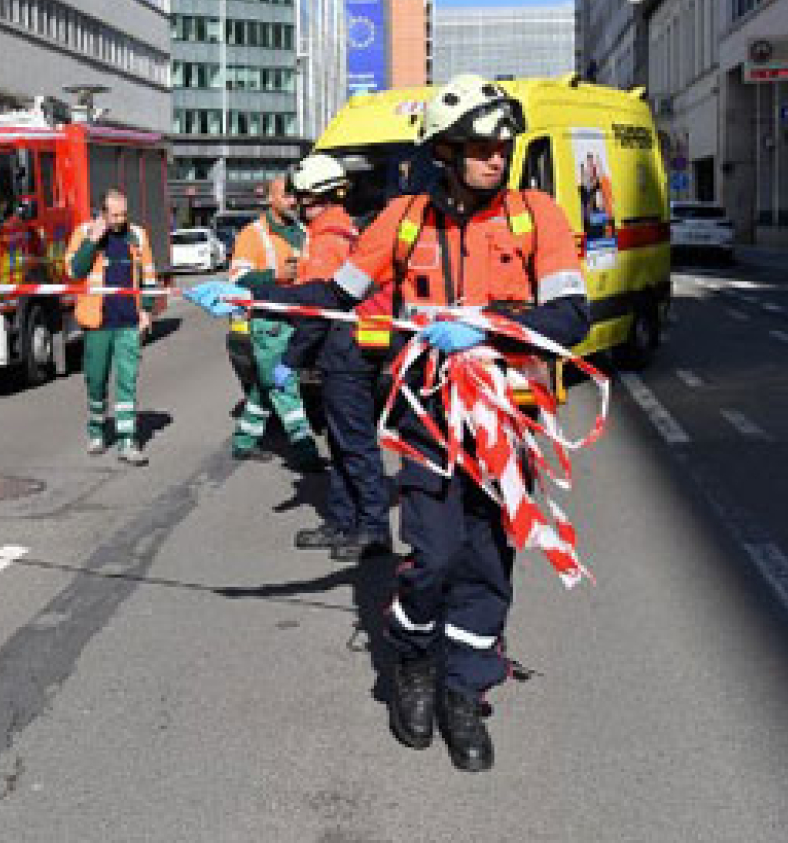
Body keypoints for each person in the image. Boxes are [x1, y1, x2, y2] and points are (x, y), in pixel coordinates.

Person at [194, 75, 589, 771]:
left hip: (505, 423)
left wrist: (490, 331)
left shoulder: (538, 216)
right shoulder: (404, 220)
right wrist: (252, 294)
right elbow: (333, 294)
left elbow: (570, 314)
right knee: (433, 556)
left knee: (489, 563)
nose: (498, 156)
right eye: (480, 145)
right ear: (445, 150)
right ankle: (411, 663)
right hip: (428, 419)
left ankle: (464, 692)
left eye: (504, 143)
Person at [276, 153, 393, 563]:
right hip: (345, 351)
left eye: (300, 199)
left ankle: (373, 529)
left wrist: (290, 360)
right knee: (343, 443)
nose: (296, 206)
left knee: (356, 444)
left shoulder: (327, 241)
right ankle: (344, 520)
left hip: (345, 354)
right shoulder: (339, 232)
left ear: (314, 198)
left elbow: (316, 311)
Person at [225, 176, 320, 468]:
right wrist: (275, 274)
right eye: (286, 195)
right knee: (283, 385)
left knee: (265, 384)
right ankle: (305, 450)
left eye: (295, 195)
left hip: (297, 320)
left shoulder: (304, 231)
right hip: (268, 323)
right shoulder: (253, 234)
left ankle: (244, 441)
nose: (293, 201)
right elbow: (237, 279)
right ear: (270, 199)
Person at [69, 189, 157, 466]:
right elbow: (74, 272)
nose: (120, 220)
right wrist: (92, 241)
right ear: (103, 213)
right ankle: (96, 430)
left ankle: (127, 440)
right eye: (115, 215)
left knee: (127, 381)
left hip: (128, 321)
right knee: (96, 380)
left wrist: (146, 310)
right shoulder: (84, 232)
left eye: (124, 214)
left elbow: (149, 277)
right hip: (98, 321)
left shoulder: (138, 235)